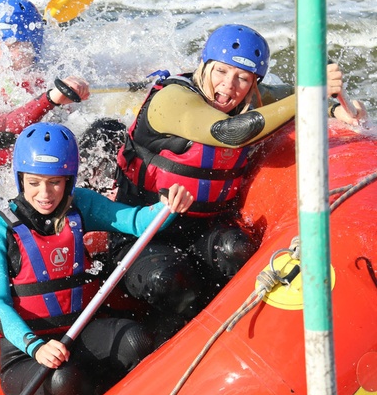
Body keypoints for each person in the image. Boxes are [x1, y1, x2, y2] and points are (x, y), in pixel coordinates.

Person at [111, 23, 367, 324]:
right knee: (165, 278)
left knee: (237, 250)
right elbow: (226, 132)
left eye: (242, 78)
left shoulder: (254, 98)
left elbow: (288, 99)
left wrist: (336, 108)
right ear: (204, 66)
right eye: (220, 71)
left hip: (201, 228)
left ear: (254, 83)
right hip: (141, 227)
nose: (229, 85)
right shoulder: (171, 99)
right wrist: (312, 95)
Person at [0, 123, 194, 395]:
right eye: (34, 182)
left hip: (80, 333)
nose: (45, 193)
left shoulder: (81, 204)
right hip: (26, 354)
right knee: (65, 379)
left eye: (55, 182)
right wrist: (36, 347)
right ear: (20, 179)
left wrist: (167, 206)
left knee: (134, 340)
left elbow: (137, 222)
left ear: (69, 179)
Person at [0, 0, 91, 187]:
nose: (3, 55)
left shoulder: (46, 74)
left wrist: (78, 86)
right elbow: (1, 129)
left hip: (44, 171)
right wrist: (50, 99)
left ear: (34, 46)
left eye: (13, 45)